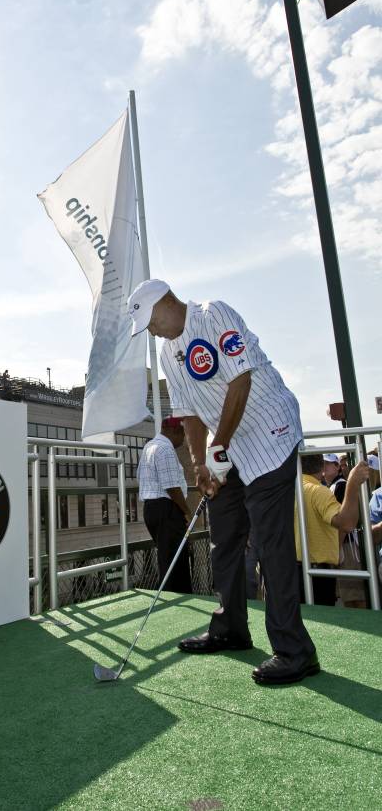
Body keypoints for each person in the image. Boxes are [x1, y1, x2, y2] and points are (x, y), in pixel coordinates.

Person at [127, 278, 319, 686]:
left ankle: (294, 650)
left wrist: (220, 447)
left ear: (165, 303)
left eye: (151, 321)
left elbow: (241, 381)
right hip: (226, 447)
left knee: (270, 543)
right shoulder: (167, 354)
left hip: (270, 431)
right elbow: (189, 414)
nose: (153, 330)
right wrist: (200, 464)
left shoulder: (214, 314)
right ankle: (230, 626)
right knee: (225, 536)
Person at [295, 453, 370, 605]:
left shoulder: (287, 489)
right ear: (321, 466)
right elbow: (347, 523)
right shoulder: (317, 491)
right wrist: (353, 483)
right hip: (316, 574)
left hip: (291, 571)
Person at [137, 416, 193, 593]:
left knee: (167, 557)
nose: (183, 439)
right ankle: (176, 599)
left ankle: (172, 597)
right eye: (182, 434)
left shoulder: (149, 447)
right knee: (175, 561)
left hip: (152, 508)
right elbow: (171, 486)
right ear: (175, 431)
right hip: (166, 510)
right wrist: (186, 511)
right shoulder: (165, 449)